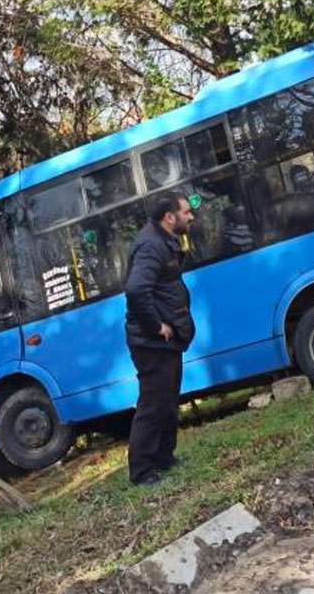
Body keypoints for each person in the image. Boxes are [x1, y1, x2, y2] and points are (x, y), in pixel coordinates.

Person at [124, 191, 196, 486]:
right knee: (153, 404)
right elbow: (136, 290)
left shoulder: (162, 240)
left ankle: (164, 458)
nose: (191, 216)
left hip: (164, 341)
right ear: (170, 217)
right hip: (150, 343)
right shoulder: (151, 245)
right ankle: (141, 472)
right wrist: (156, 327)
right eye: (186, 212)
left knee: (168, 401)